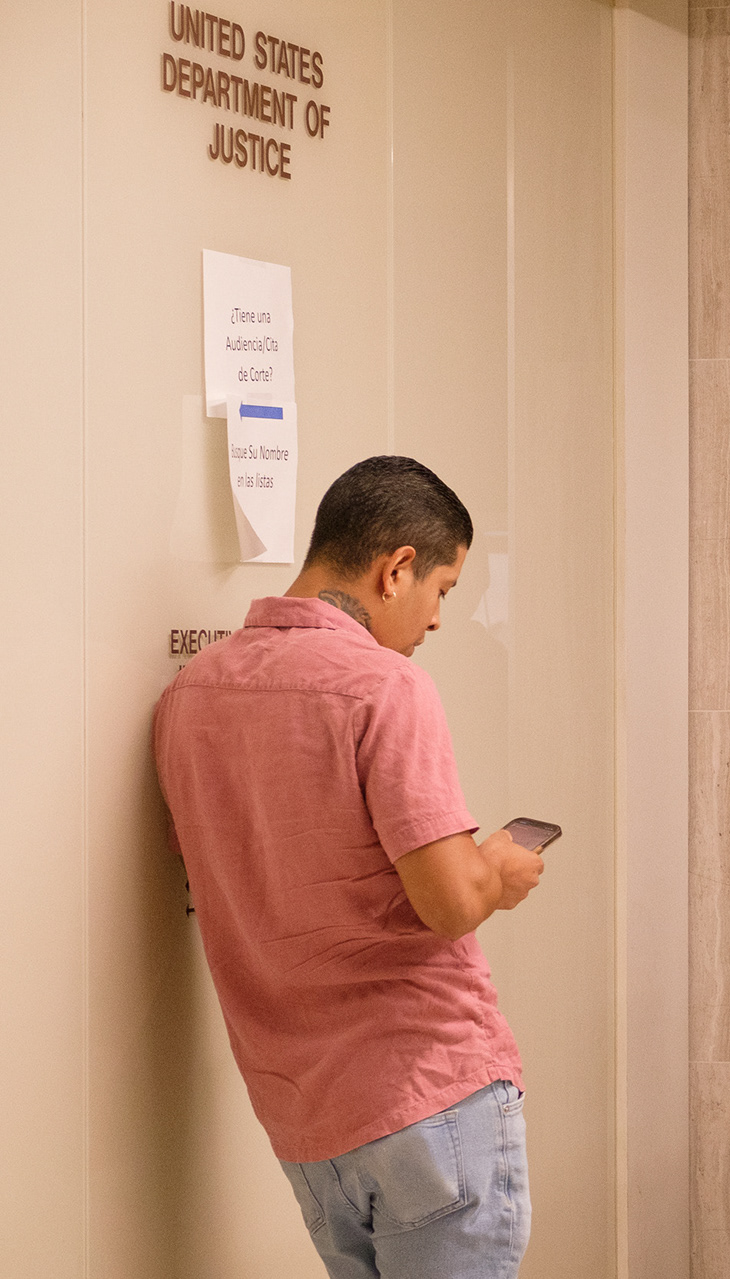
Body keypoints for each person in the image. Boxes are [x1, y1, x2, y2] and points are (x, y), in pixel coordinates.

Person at [151, 457, 545, 1279]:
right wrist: (498, 870)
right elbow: (449, 902)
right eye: (441, 589)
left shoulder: (191, 693)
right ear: (395, 568)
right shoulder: (385, 688)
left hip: (304, 1116)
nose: (437, 621)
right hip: (428, 1094)